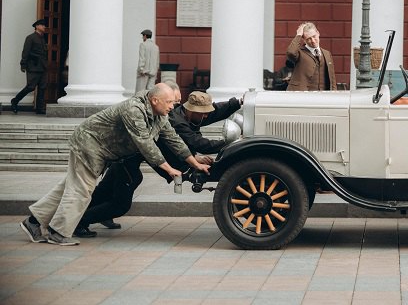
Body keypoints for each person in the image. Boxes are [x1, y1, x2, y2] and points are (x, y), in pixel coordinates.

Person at [19, 83, 210, 246]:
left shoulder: (160, 115)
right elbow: (144, 143)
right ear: (155, 100)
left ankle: (34, 222)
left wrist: (194, 163)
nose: (173, 106)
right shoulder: (134, 109)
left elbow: (173, 139)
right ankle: (57, 233)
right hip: (89, 145)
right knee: (81, 190)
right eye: (170, 102)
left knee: (68, 188)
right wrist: (168, 168)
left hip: (99, 150)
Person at [75, 88, 242, 236]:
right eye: (203, 113)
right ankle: (79, 221)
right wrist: (228, 143)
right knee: (120, 204)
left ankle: (91, 215)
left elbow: (215, 112)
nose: (206, 116)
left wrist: (238, 102)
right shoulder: (175, 121)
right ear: (192, 110)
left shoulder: (188, 115)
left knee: (104, 191)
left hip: (128, 159)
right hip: (126, 159)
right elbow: (193, 143)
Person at [10, 19, 49, 115]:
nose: (44, 27)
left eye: (44, 25)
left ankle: (40, 108)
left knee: (42, 87)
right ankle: (15, 101)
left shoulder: (42, 38)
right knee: (30, 87)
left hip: (42, 67)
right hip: (33, 67)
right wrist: (23, 64)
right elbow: (25, 52)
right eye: (42, 25)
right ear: (37, 26)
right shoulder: (30, 38)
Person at [286, 22, 337, 91]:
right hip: (302, 95)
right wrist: (298, 35)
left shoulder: (327, 54)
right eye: (308, 39)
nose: (313, 41)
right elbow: (291, 52)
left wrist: (333, 94)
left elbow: (332, 79)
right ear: (303, 39)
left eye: (314, 36)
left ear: (318, 33)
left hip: (323, 96)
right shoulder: (299, 52)